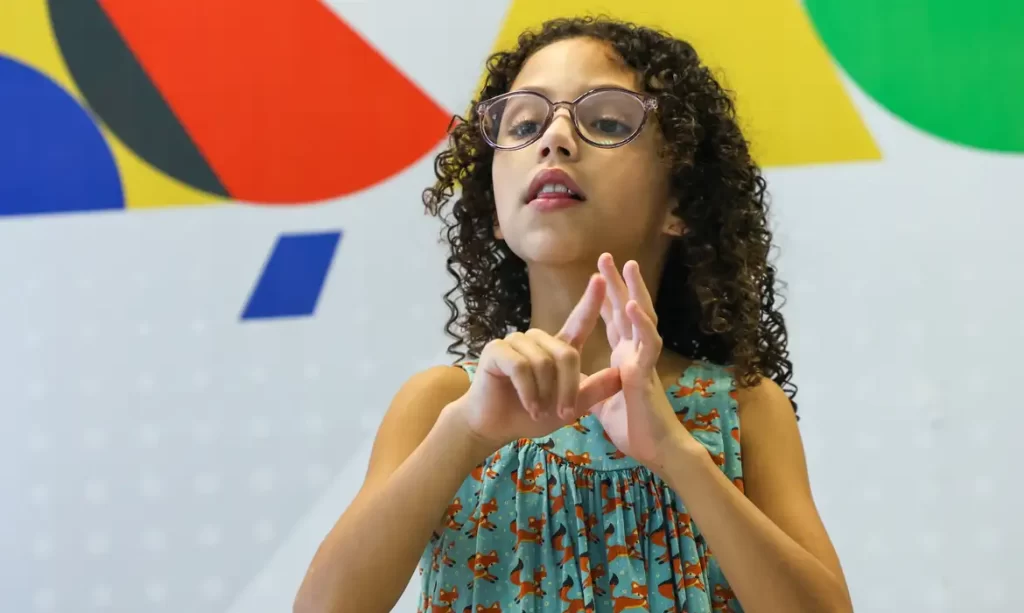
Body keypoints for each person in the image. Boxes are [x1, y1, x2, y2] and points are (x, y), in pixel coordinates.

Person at [295, 15, 852, 613]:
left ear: (682, 202)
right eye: (524, 125)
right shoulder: (441, 407)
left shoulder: (742, 409)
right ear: (495, 211)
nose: (555, 139)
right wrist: (465, 436)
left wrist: (676, 452)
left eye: (606, 122)